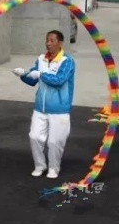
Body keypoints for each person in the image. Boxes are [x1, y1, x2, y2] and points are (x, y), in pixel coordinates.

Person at [13, 30, 76, 179]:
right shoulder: (41, 59)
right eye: (47, 40)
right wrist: (22, 75)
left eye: (52, 40)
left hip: (59, 109)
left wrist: (41, 74)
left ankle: (54, 168)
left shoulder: (67, 61)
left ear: (60, 43)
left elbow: (59, 81)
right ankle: (40, 166)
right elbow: (33, 80)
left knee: (55, 141)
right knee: (34, 136)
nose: (48, 43)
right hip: (40, 108)